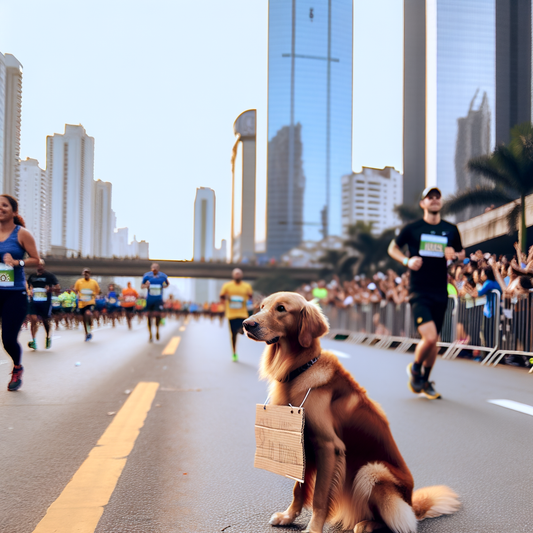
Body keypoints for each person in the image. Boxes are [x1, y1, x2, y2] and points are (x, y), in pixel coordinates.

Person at [388, 187, 465, 399]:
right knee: (429, 337)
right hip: (419, 290)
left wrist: (455, 255)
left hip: (440, 290)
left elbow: (461, 253)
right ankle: (415, 368)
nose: (434, 200)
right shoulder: (413, 228)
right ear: (423, 203)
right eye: (429, 197)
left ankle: (425, 380)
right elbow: (392, 248)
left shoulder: (450, 229)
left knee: (435, 341)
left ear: (440, 202)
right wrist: (407, 261)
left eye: (437, 197)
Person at [0, 195, 41, 391]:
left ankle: (17, 367)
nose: (0, 208)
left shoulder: (21, 234)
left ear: (14, 212)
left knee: (8, 339)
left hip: (14, 294)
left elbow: (37, 260)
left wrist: (18, 263)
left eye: (4, 205)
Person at [220, 268, 253, 362]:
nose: (237, 275)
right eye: (236, 274)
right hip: (231, 314)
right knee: (233, 334)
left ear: (241, 275)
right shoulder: (227, 286)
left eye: (239, 274)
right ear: (233, 275)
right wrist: (226, 297)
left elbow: (251, 297)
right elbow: (221, 296)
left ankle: (241, 330)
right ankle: (234, 352)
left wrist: (250, 298)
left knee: (243, 330)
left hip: (242, 313)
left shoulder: (246, 286)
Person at [27, 261, 60, 350]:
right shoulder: (32, 276)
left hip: (45, 302)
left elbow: (58, 288)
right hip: (34, 301)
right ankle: (33, 340)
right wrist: (29, 291)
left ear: (43, 266)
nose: (39, 266)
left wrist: (50, 289)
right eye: (38, 265)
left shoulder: (49, 276)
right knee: (33, 319)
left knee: (45, 320)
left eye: (41, 265)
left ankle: (48, 337)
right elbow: (27, 285)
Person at [141, 263, 169, 342]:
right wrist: (146, 285)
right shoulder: (147, 276)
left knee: (158, 317)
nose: (154, 269)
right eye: (153, 268)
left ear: (158, 269)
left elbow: (167, 284)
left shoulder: (163, 276)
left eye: (156, 268)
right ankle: (150, 334)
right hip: (149, 300)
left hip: (158, 300)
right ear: (151, 269)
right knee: (149, 318)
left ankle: (157, 330)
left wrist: (162, 286)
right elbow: (142, 286)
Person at [74, 268, 100, 341]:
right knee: (84, 320)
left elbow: (98, 291)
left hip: (90, 302)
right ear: (83, 274)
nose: (86, 274)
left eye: (87, 273)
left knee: (88, 314)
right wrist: (77, 296)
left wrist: (94, 295)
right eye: (85, 273)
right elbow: (76, 290)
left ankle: (91, 323)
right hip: (82, 303)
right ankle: (87, 334)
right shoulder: (79, 282)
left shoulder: (94, 282)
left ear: (89, 274)